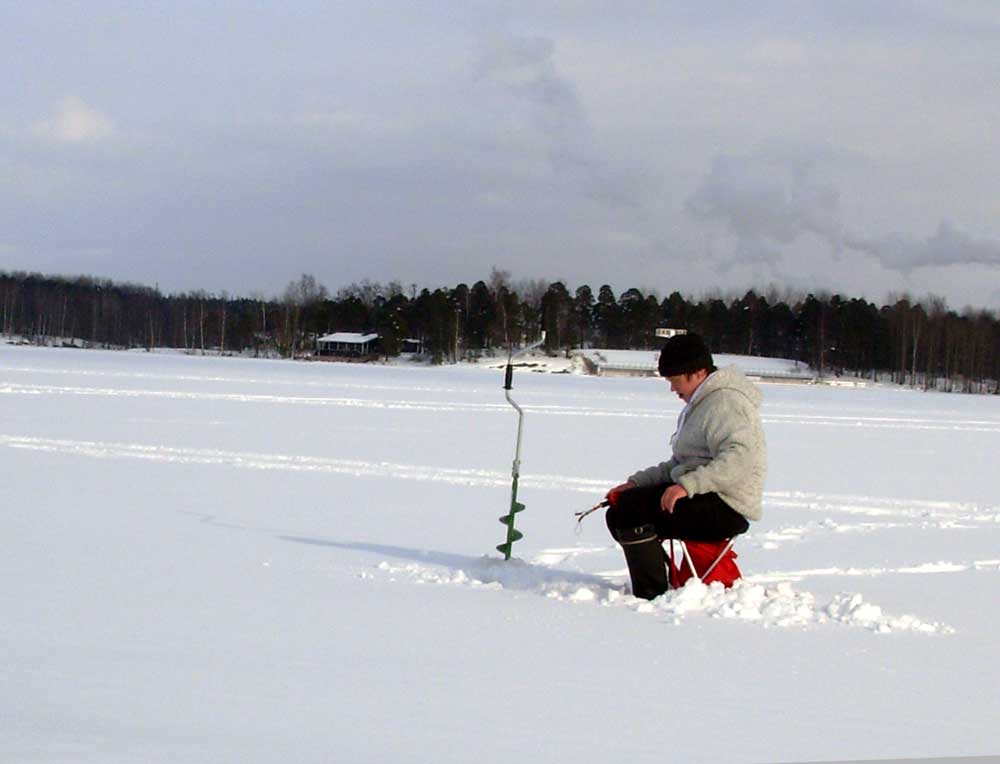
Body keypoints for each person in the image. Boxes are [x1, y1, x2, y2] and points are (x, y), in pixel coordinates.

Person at [605, 333, 766, 599]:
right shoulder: (704, 403)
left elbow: (740, 458)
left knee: (629, 513)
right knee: (622, 507)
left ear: (698, 373)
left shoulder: (725, 402)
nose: (672, 389)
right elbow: (680, 463)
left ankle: (652, 594)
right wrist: (636, 483)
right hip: (707, 497)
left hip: (727, 505)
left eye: (675, 380)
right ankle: (662, 585)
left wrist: (686, 486)